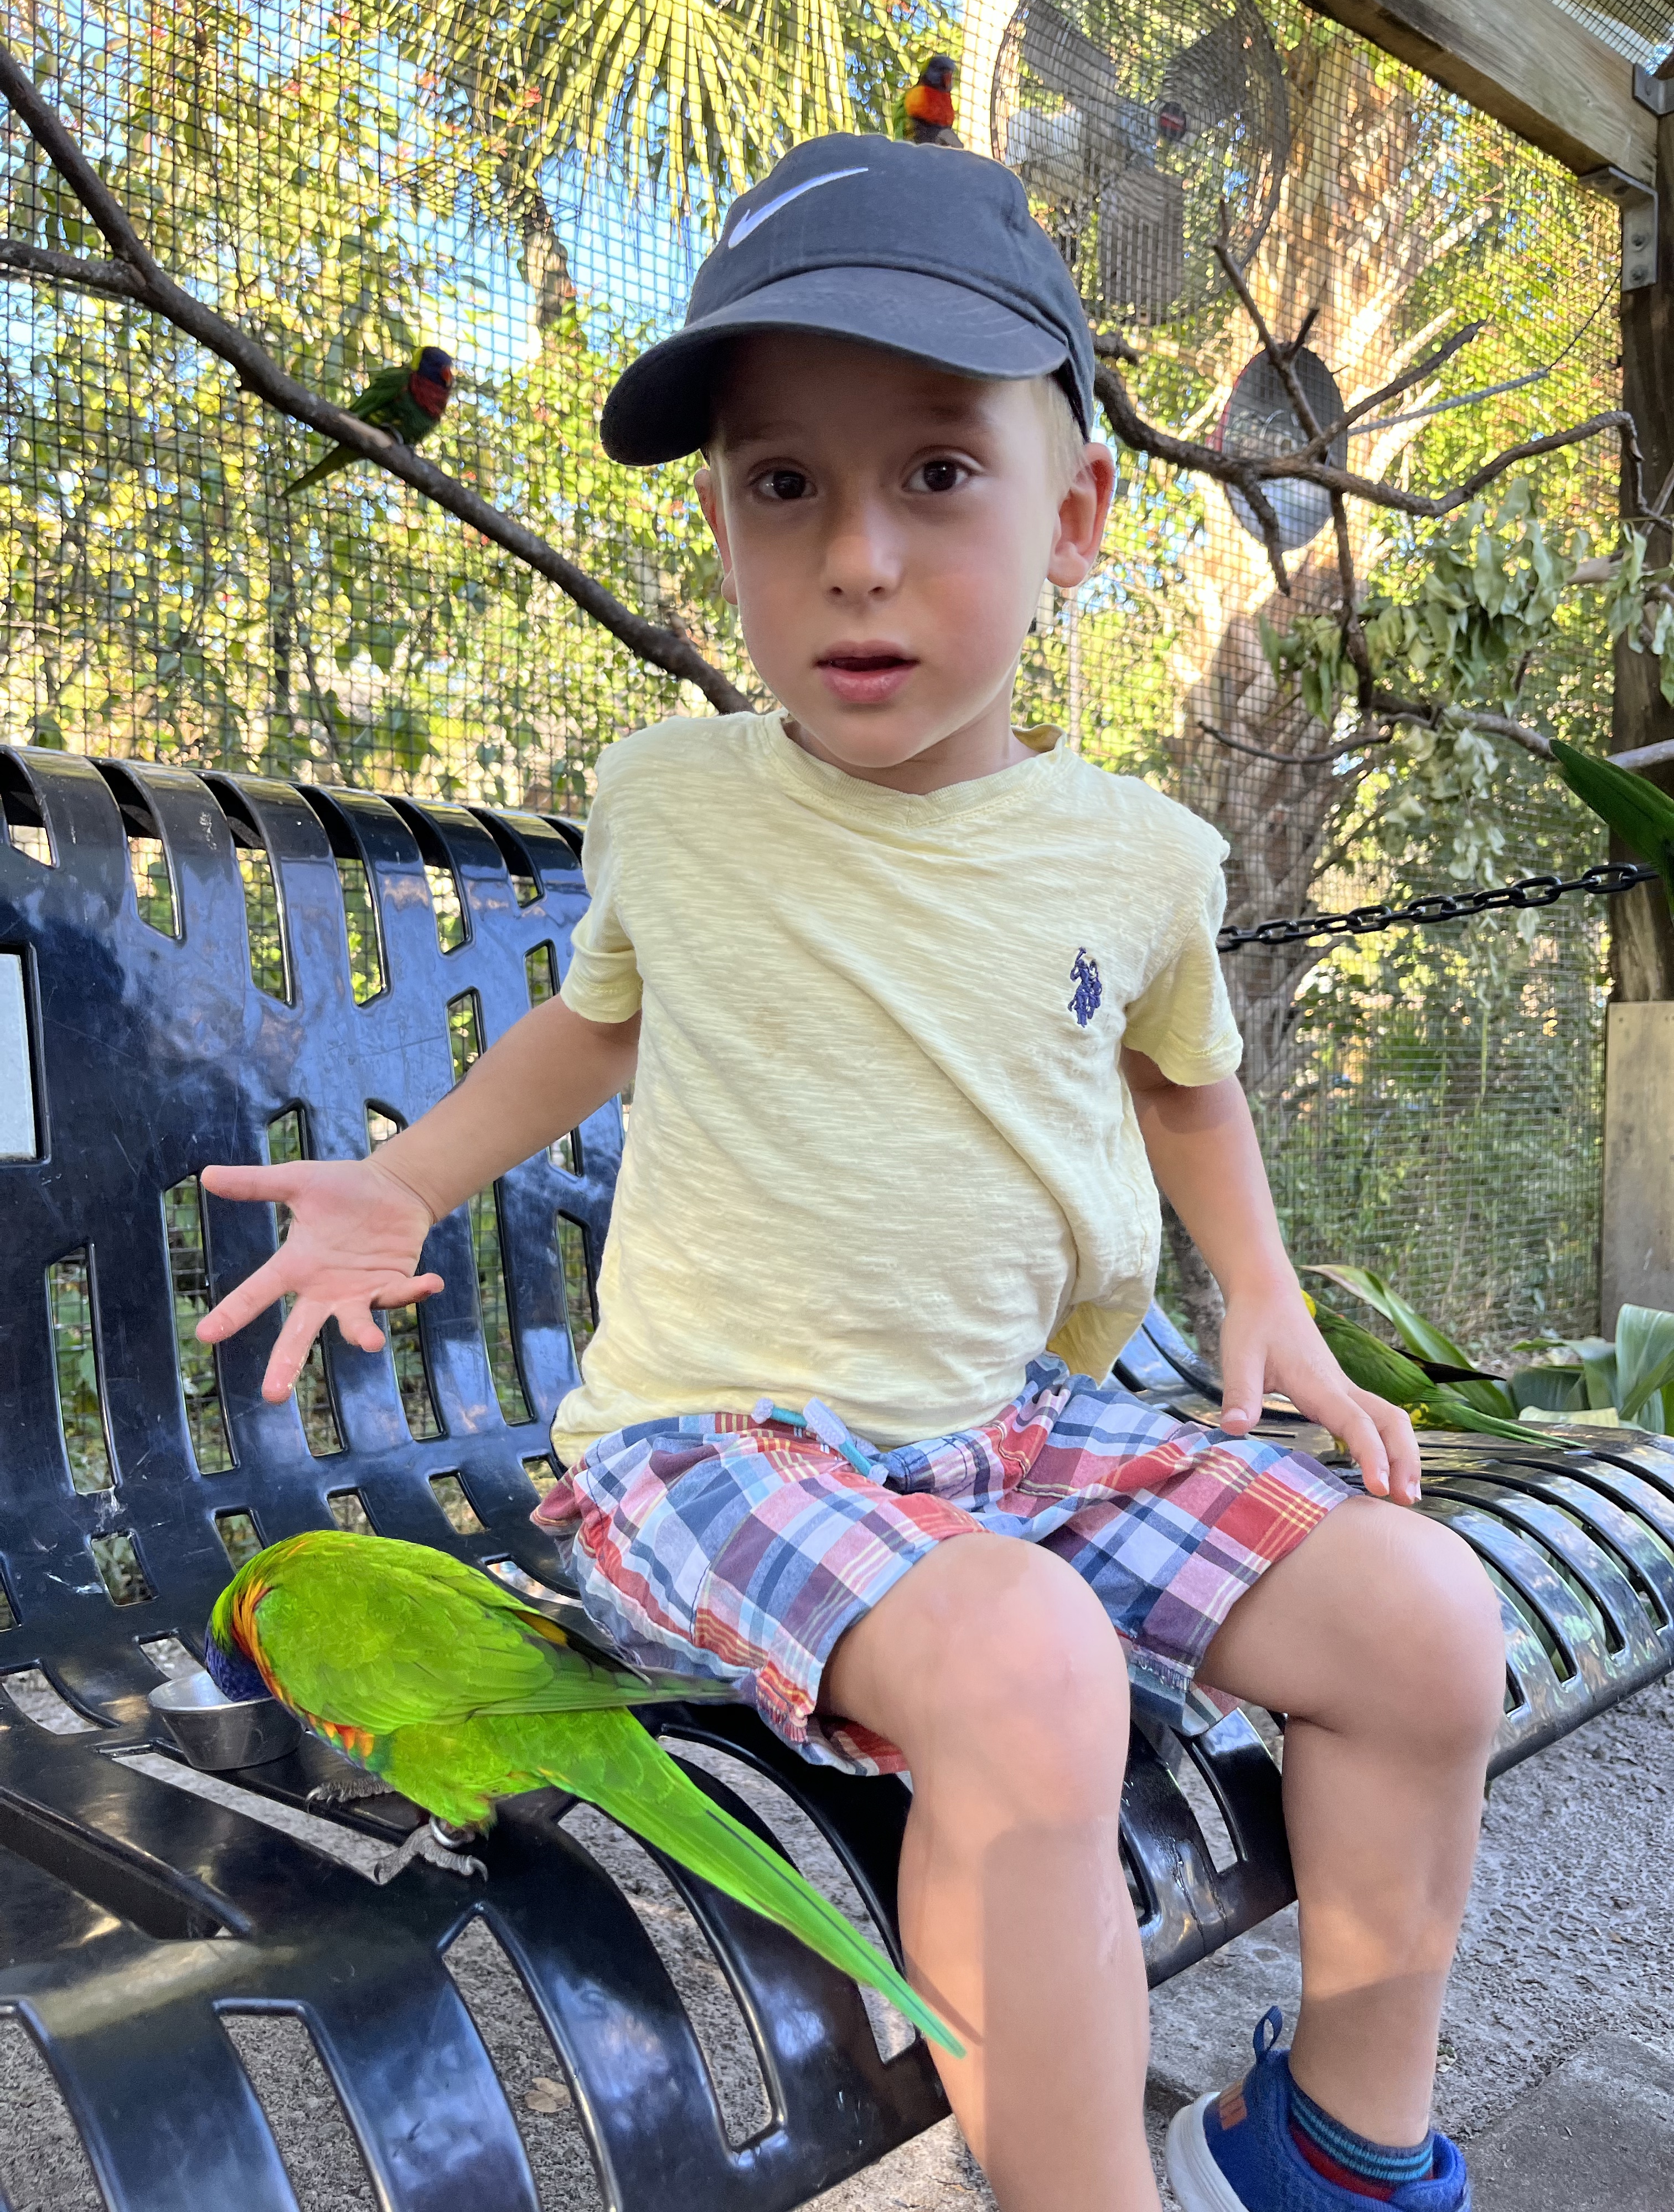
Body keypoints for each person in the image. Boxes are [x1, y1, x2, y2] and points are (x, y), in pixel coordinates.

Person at [198, 134, 1504, 2212]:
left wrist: (1263, 1293)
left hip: (1008, 1433)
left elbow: (1187, 1084)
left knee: (1425, 1621)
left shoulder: (1139, 861)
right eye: (785, 484)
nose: (859, 558)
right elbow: (591, 1028)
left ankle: (1339, 2149)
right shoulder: (677, 804)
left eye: (938, 473)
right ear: (722, 520)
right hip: (709, 1451)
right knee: (1033, 1668)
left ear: (1074, 517)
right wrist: (409, 1182)